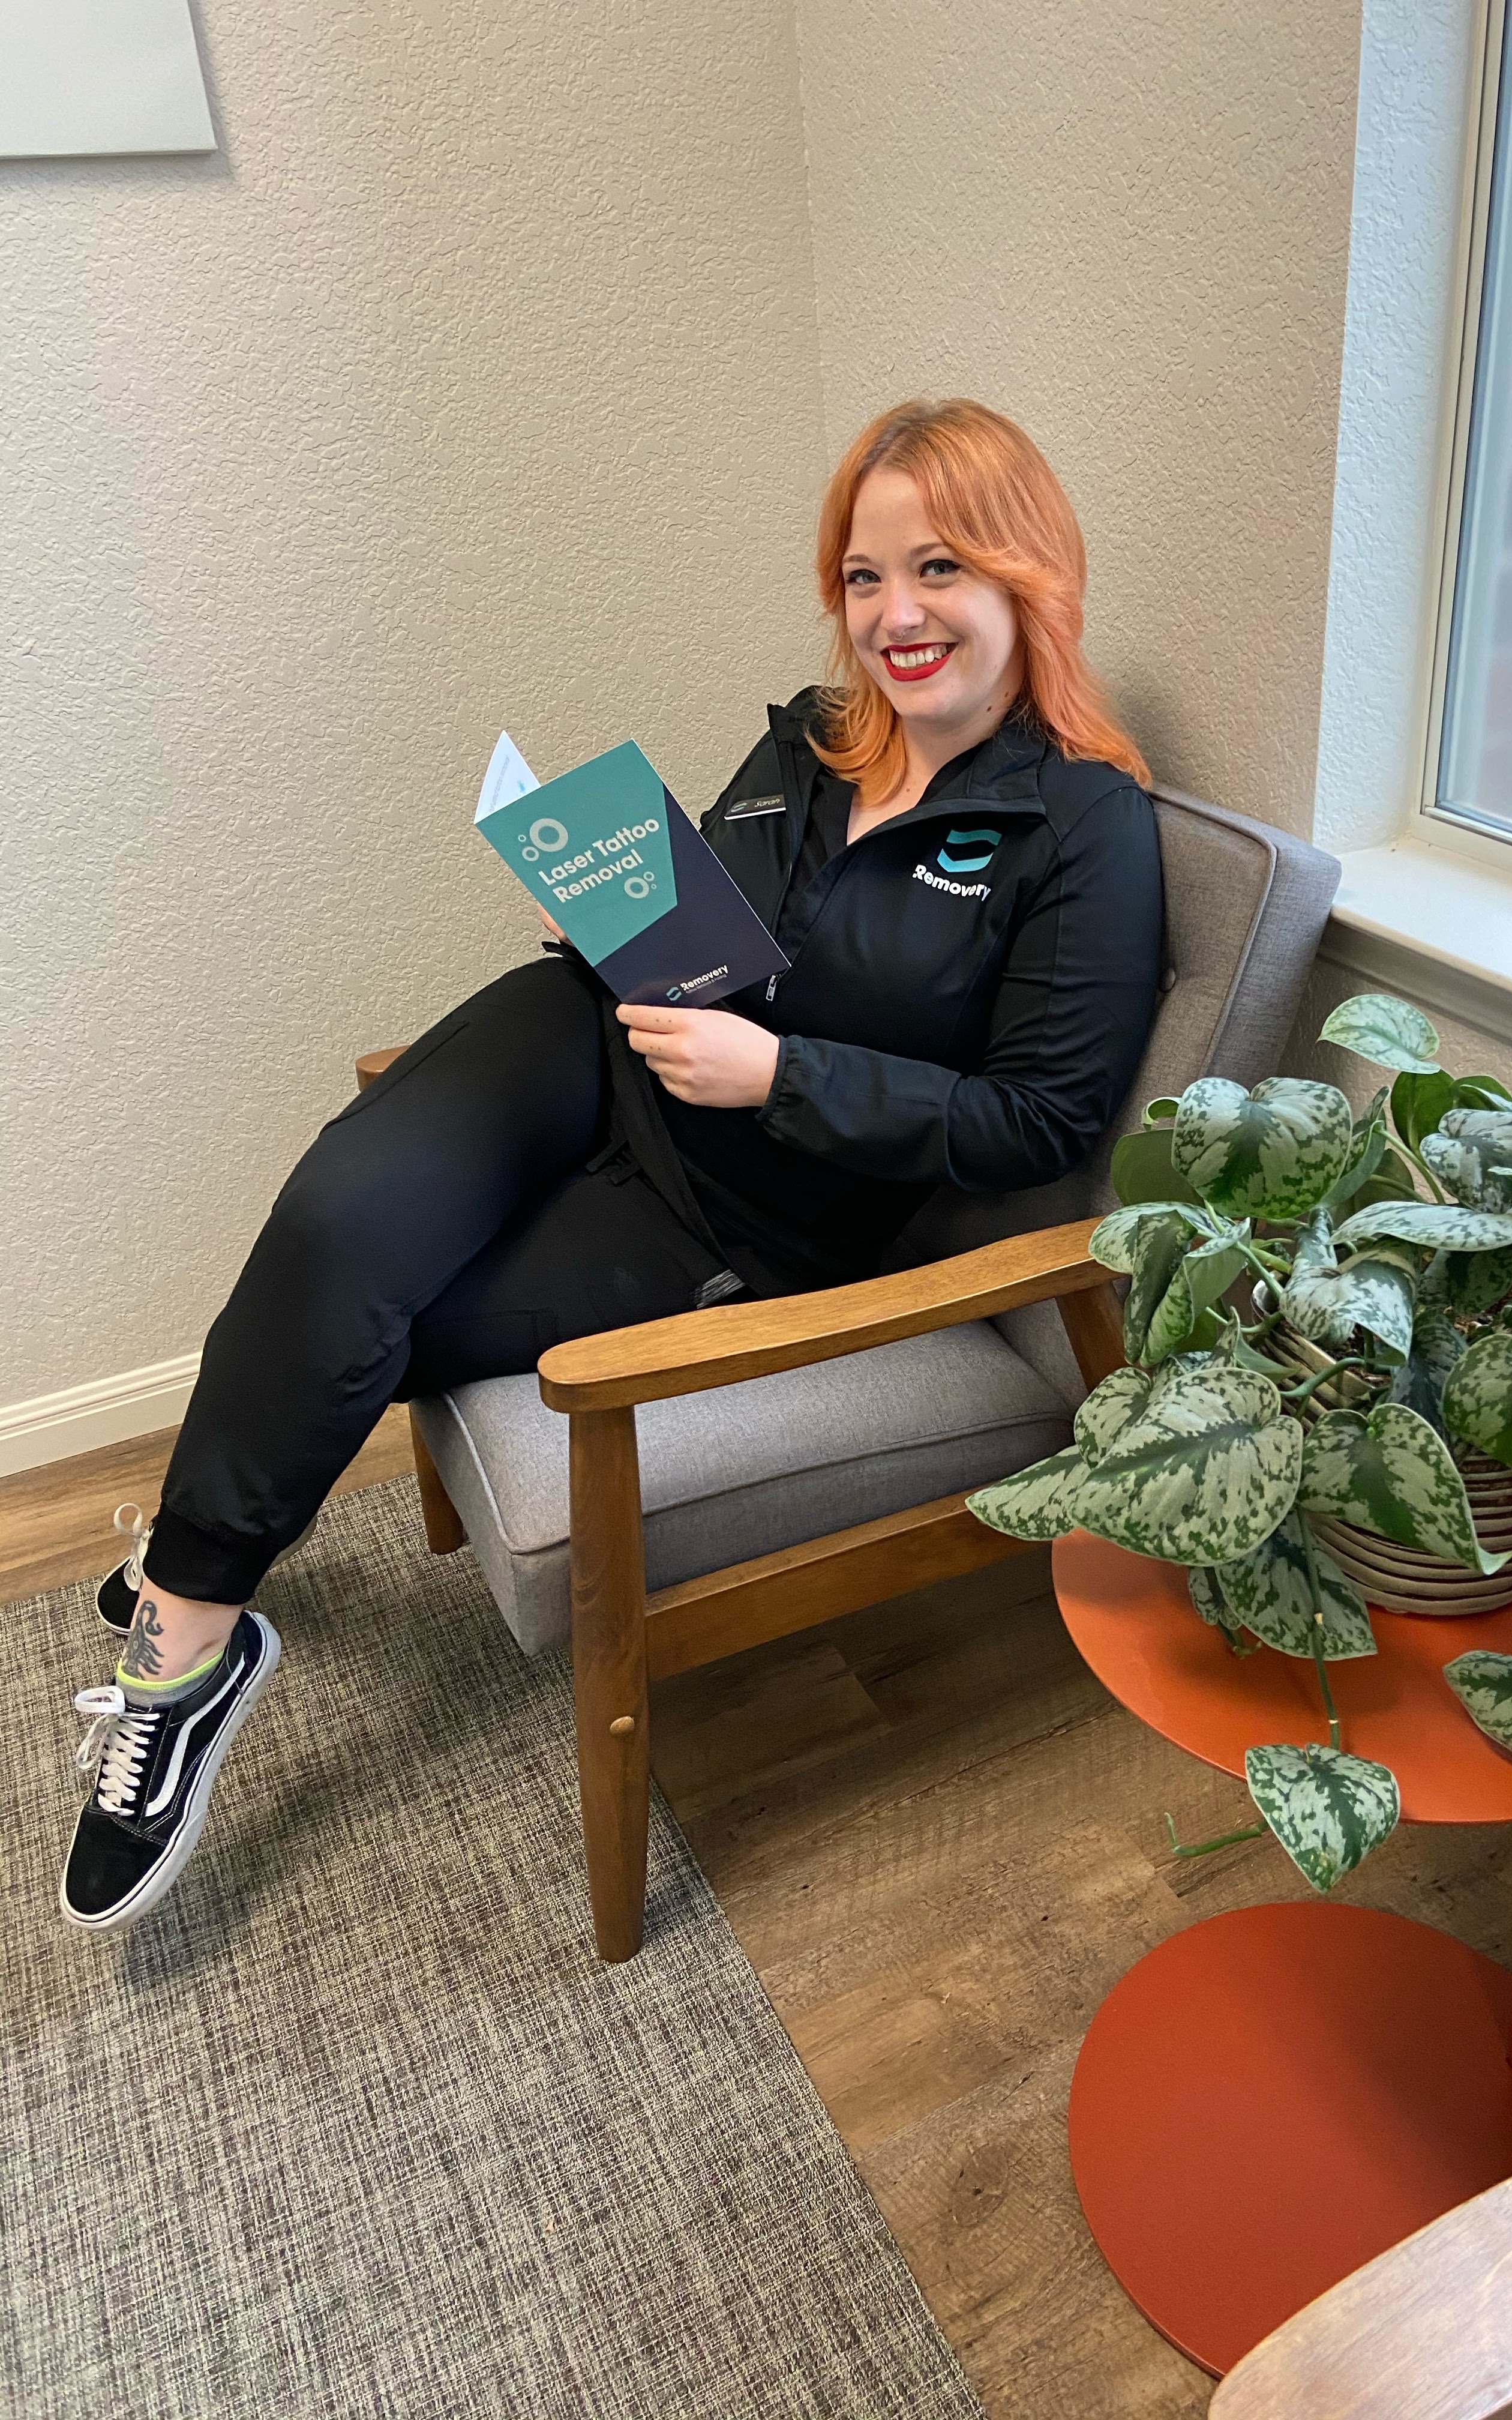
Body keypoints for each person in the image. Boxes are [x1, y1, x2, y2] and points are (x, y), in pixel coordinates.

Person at [61, 397, 1165, 1933]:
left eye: (940, 569)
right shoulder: (814, 735)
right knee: (341, 1214)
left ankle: (189, 1574)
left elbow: (1041, 1122)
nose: (895, 616)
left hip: (742, 1208)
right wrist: (611, 909)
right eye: (864, 577)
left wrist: (781, 1074)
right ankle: (191, 1642)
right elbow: (705, 914)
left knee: (386, 1320)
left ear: (1027, 575)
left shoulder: (1083, 827)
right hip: (589, 1041)